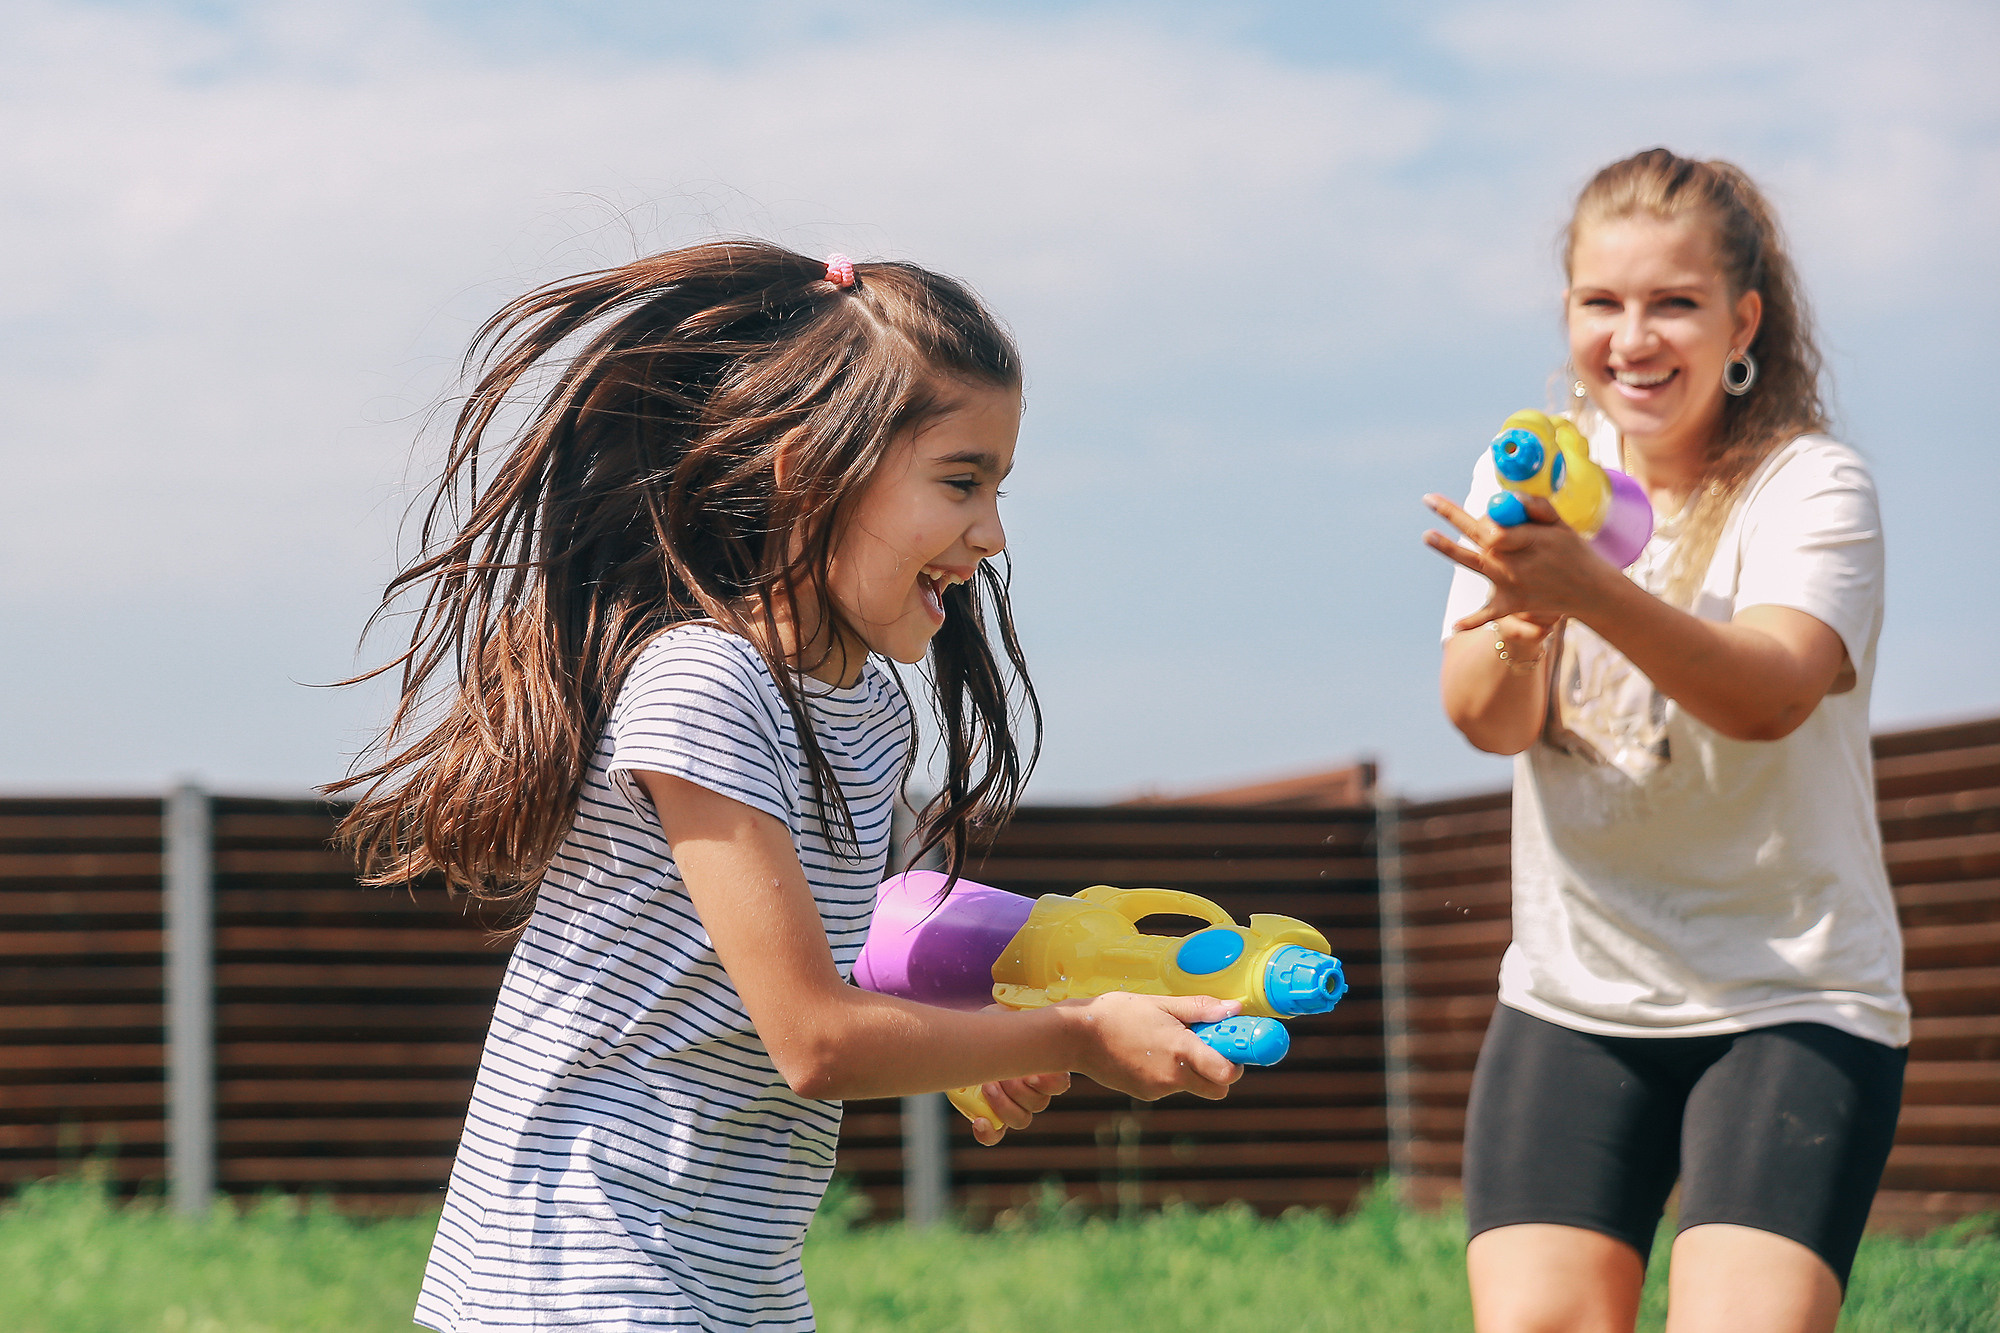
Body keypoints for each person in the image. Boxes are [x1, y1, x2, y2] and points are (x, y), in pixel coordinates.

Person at [333, 242, 1244, 1331]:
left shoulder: (870, 711)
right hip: (580, 1270)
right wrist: (1076, 1034)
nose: (992, 535)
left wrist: (971, 1040)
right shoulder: (704, 685)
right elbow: (813, 1039)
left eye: (998, 488)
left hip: (731, 1276)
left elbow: (812, 977)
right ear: (811, 470)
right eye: (961, 481)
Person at [1423, 149, 1905, 1333]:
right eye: (1601, 301)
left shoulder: (1809, 488)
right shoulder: (1530, 471)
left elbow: (1768, 696)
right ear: (1567, 314)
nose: (1631, 338)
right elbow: (1485, 719)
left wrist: (1585, 589)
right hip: (1574, 993)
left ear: (1741, 321)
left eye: (1672, 303)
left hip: (1789, 992)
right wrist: (1521, 625)